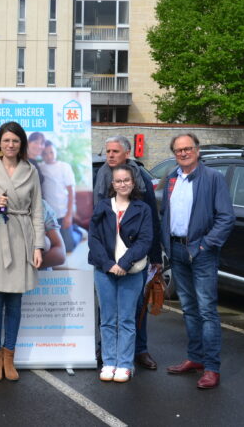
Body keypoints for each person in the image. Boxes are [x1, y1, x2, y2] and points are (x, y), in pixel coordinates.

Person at [0, 121, 47, 382]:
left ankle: (9, 357)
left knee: (15, 301)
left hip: (21, 236)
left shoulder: (31, 171)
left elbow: (38, 211)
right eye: (6, 140)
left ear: (21, 144)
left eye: (15, 140)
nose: (11, 145)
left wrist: (38, 245)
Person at [161, 134, 234, 389]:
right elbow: (166, 214)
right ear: (174, 153)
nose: (183, 153)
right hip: (177, 251)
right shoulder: (171, 178)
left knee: (206, 310)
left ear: (197, 150)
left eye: (188, 148)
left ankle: (212, 368)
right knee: (189, 309)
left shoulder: (213, 178)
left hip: (201, 253)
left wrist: (205, 245)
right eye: (179, 150)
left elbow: (226, 218)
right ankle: (195, 358)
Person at [93, 135, 162, 371]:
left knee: (134, 307)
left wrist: (154, 258)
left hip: (134, 258)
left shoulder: (139, 177)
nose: (110, 155)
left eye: (115, 151)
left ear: (127, 153)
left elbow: (151, 218)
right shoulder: (101, 176)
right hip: (107, 259)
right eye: (107, 151)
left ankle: (139, 350)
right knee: (107, 309)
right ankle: (107, 351)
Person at [89, 164, 153, 383]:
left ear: (133, 183)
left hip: (132, 271)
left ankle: (125, 364)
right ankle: (109, 362)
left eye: (126, 180)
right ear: (112, 184)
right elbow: (94, 239)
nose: (123, 184)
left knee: (126, 319)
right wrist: (108, 264)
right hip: (104, 271)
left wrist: (124, 263)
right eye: (118, 181)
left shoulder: (142, 208)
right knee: (107, 319)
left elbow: (145, 240)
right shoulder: (103, 207)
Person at [39, 139, 76, 252]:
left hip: (63, 212)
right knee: (53, 246)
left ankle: (78, 231)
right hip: (49, 215)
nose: (49, 156)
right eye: (45, 153)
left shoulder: (64, 166)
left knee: (69, 247)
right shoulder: (40, 167)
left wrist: (69, 215)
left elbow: (71, 191)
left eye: (51, 152)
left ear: (55, 151)